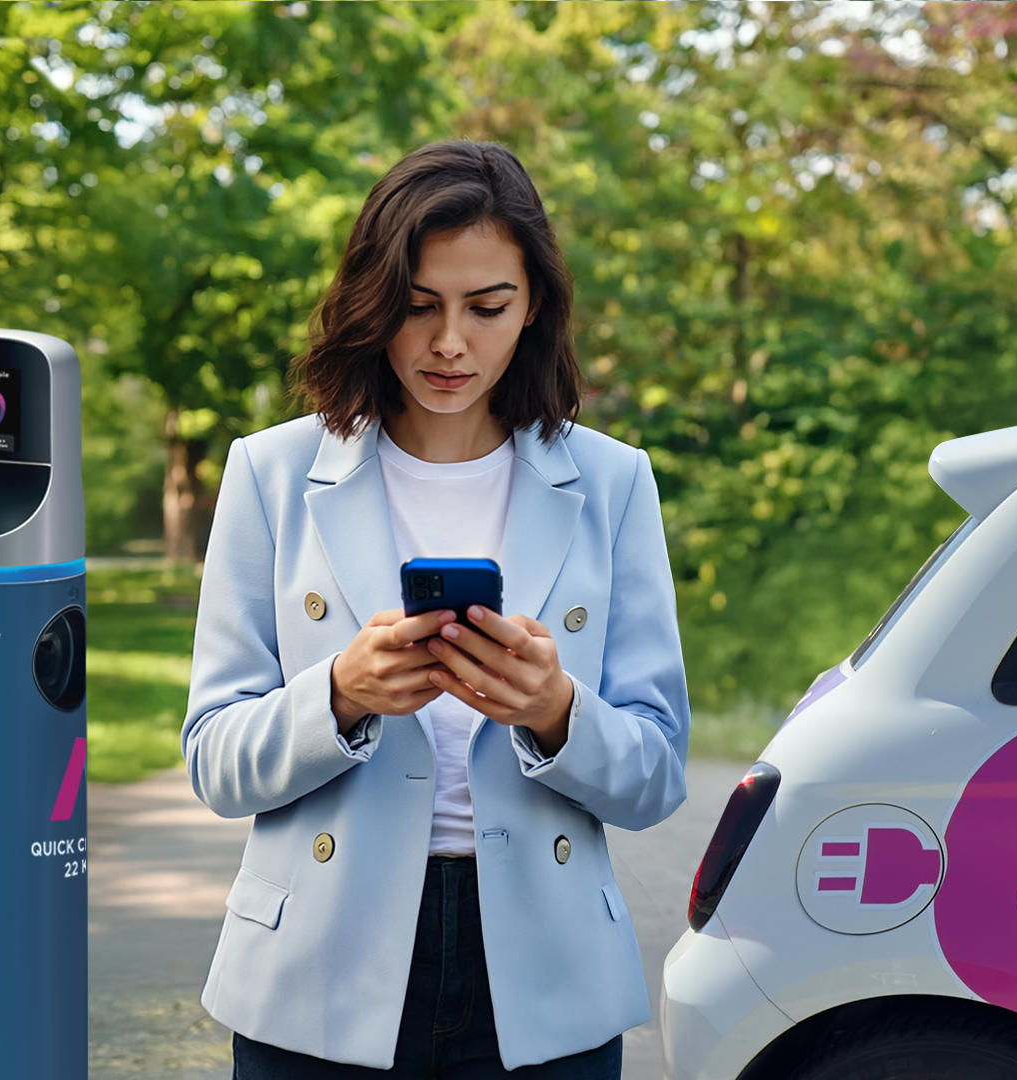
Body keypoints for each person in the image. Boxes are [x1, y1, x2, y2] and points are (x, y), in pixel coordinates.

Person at [181, 140, 690, 1079]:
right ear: (373, 303)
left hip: (543, 967)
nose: (450, 342)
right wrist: (339, 692)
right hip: (320, 965)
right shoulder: (273, 472)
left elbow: (657, 776)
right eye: (418, 307)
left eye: (486, 307)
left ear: (532, 305)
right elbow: (215, 761)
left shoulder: (614, 482)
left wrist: (555, 712)